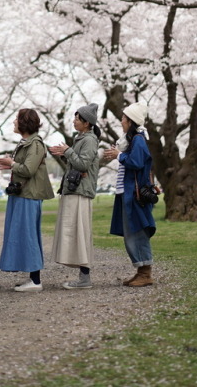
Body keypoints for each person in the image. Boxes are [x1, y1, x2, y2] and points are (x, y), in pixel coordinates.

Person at [0, 109, 54, 292]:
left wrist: (11, 163)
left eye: (17, 119)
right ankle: (32, 277)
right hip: (22, 194)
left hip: (29, 195)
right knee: (22, 234)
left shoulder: (35, 144)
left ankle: (36, 280)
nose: (14, 122)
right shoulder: (27, 143)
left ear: (25, 123)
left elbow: (28, 170)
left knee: (28, 235)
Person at [103, 101, 156, 287]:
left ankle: (145, 273)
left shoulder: (138, 140)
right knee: (132, 231)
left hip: (134, 195)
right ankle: (141, 270)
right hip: (129, 193)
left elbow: (136, 162)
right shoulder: (134, 140)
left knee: (137, 231)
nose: (121, 121)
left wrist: (119, 155)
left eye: (124, 118)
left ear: (131, 121)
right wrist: (117, 154)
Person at [50, 103, 100, 290]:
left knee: (80, 233)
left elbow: (83, 164)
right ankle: (83, 277)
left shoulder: (89, 140)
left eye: (77, 118)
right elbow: (78, 163)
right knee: (76, 233)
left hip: (80, 192)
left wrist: (67, 151)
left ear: (87, 123)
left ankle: (84, 278)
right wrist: (66, 153)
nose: (74, 121)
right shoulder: (82, 139)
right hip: (74, 190)